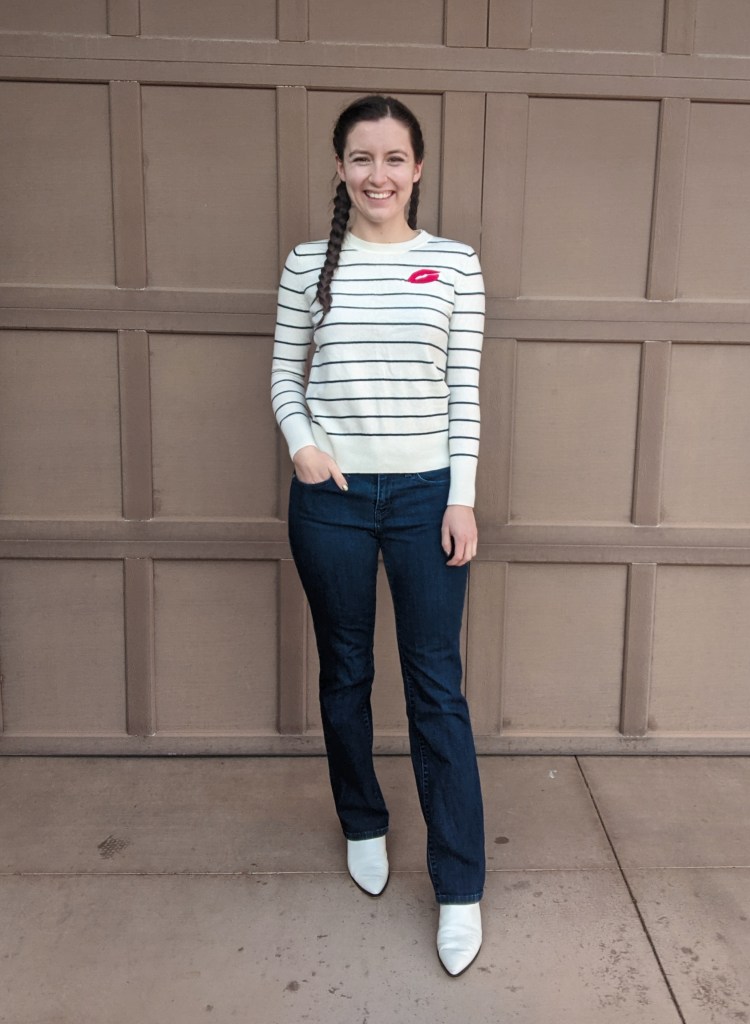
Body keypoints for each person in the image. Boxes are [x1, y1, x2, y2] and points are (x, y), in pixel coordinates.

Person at [271, 94, 485, 976]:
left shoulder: (456, 266)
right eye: (361, 158)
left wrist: (461, 498)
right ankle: (363, 819)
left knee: (436, 688)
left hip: (427, 498)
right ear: (339, 167)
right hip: (333, 501)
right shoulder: (305, 265)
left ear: (419, 169)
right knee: (347, 670)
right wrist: (305, 449)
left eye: (394, 159)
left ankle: (460, 885)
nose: (378, 176)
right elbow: (285, 377)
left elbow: (464, 393)